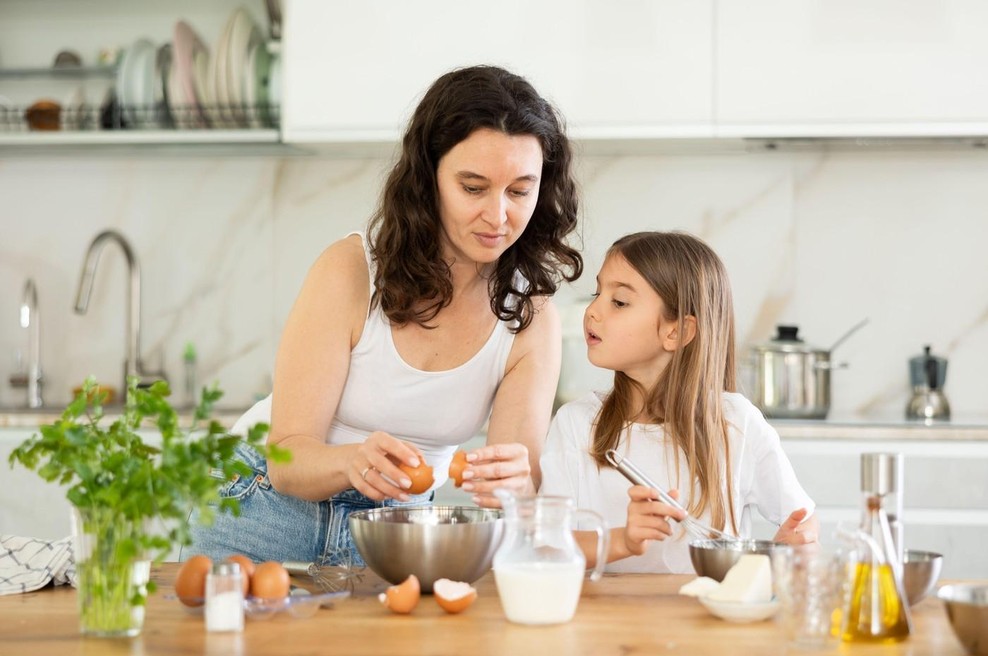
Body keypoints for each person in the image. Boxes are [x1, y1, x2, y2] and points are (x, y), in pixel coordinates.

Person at [187, 65, 583, 566]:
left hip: (399, 531)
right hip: (262, 509)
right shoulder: (351, 272)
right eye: (473, 187)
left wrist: (517, 483)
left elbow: (513, 485)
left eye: (520, 190)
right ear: (428, 180)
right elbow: (287, 458)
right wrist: (353, 460)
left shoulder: (530, 316)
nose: (499, 215)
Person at [539, 231, 817, 574]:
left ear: (677, 332)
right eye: (598, 293)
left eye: (619, 301)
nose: (593, 310)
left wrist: (792, 546)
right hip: (604, 625)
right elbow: (547, 548)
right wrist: (622, 540)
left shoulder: (736, 424)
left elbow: (804, 524)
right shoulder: (576, 424)